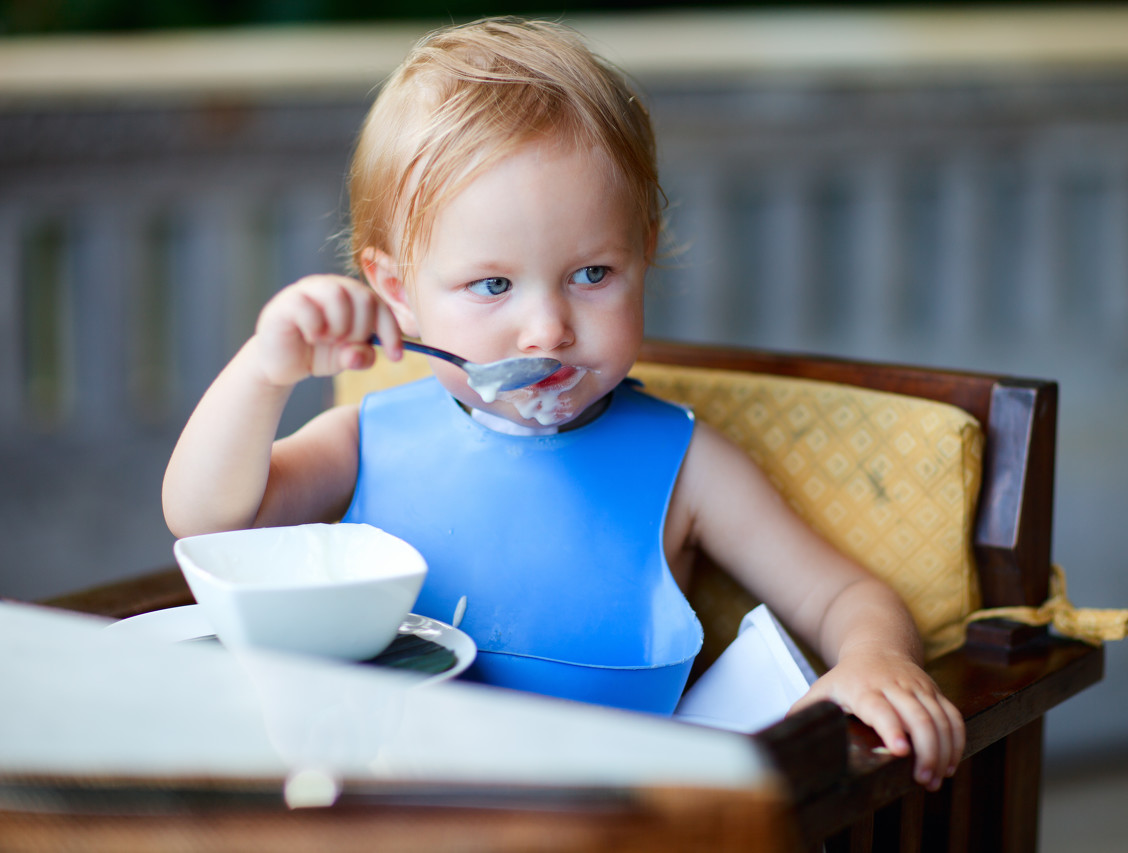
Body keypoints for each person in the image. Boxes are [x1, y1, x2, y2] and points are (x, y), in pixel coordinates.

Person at [162, 17, 964, 791]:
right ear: (400, 293)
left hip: (608, 818)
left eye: (592, 274)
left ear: (645, 249)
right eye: (492, 284)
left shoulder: (686, 468)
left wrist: (874, 661)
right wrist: (264, 373)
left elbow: (845, 596)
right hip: (393, 804)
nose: (547, 328)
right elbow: (210, 522)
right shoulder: (370, 440)